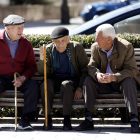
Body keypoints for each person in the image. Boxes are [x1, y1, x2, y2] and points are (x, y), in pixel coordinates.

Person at [76, 24, 140, 133]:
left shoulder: (126, 47)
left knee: (129, 81)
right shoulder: (95, 47)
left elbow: (132, 70)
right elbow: (91, 67)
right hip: (103, 83)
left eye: (98, 37)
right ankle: (88, 119)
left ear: (109, 40)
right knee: (88, 81)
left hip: (120, 83)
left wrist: (115, 77)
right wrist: (97, 74)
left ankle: (134, 119)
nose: (95, 40)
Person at [37, 27, 89, 130]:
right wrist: (42, 59)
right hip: (54, 78)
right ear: (53, 41)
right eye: (57, 41)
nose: (60, 43)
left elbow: (85, 70)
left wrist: (79, 87)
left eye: (63, 40)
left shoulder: (77, 48)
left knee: (66, 85)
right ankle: (48, 119)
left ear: (68, 39)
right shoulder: (48, 49)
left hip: (71, 79)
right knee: (45, 85)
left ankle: (66, 120)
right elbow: (43, 72)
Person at [0, 14, 39, 130]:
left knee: (34, 85)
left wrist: (23, 78)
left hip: (19, 78)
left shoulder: (26, 43)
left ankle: (25, 119)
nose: (21, 30)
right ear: (8, 29)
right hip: (1, 78)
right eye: (18, 27)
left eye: (22, 27)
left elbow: (32, 66)